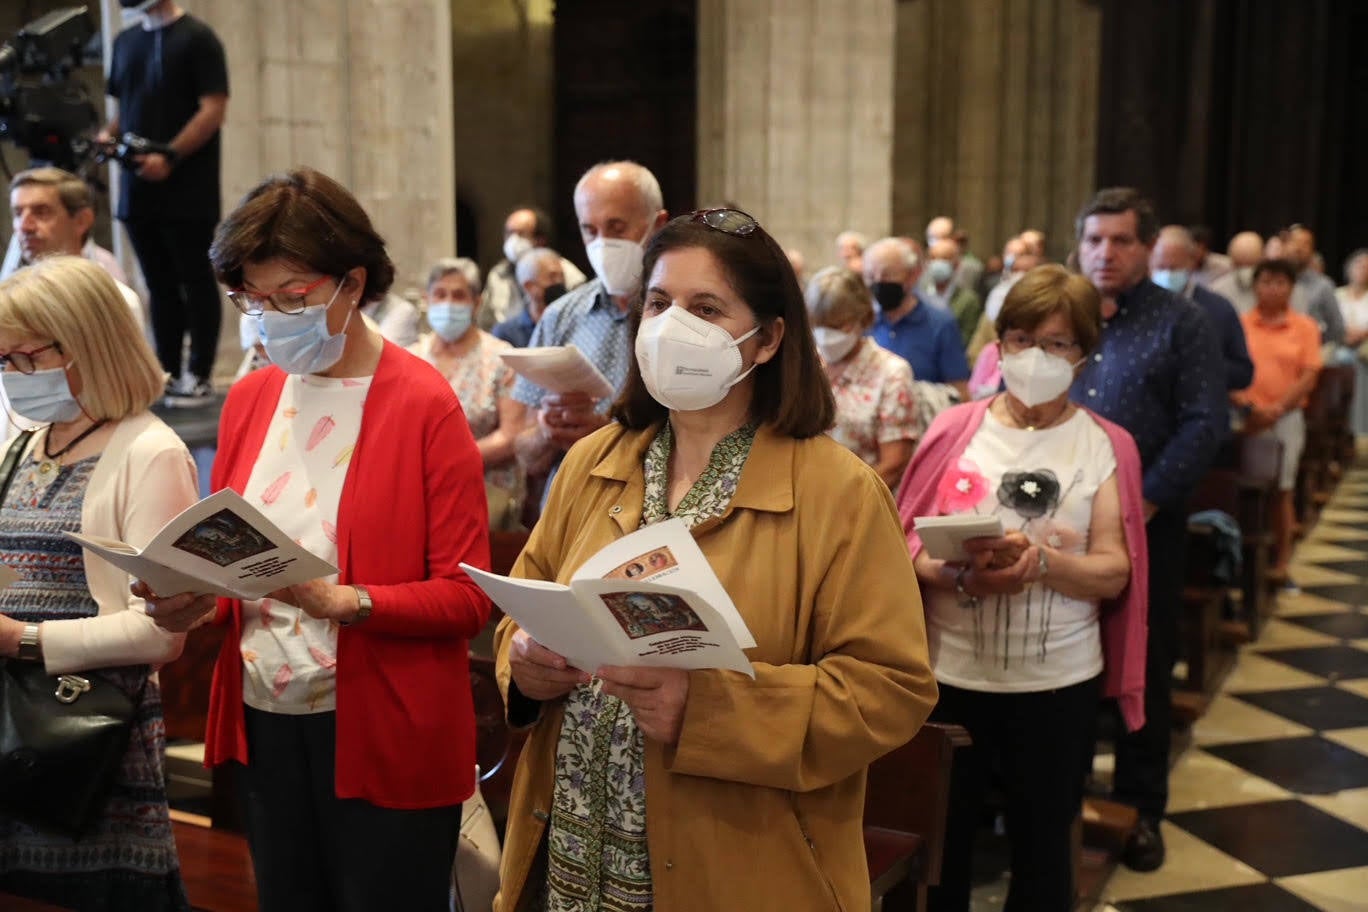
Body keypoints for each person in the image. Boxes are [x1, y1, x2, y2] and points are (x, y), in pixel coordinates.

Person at [493, 208, 937, 912]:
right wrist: (526, 667)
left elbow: (889, 690)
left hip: (738, 864)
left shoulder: (838, 492)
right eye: (660, 304)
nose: (674, 327)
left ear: (767, 340)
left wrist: (708, 709)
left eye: (706, 308)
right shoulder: (594, 462)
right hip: (572, 848)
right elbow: (522, 602)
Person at [143, 167, 492, 912]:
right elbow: (232, 554)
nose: (268, 319)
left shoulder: (424, 402)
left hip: (383, 726)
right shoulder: (252, 394)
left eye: (292, 297)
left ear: (351, 283)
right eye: (252, 300)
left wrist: (347, 601)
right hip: (267, 719)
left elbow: (469, 598)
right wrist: (191, 600)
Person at [896, 264, 1147, 912]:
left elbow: (1115, 569)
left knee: (1042, 853)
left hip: (1056, 682)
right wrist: (957, 572)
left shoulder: (1103, 444)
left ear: (1084, 353)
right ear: (999, 345)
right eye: (1020, 339)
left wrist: (1041, 565)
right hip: (952, 674)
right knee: (943, 846)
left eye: (1057, 343)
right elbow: (905, 549)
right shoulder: (955, 429)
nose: (1036, 356)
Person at [0, 256, 198, 910]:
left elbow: (159, 631)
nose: (14, 378)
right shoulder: (26, 446)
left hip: (87, 735)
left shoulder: (149, 451)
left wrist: (23, 639)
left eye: (25, 358)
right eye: (4, 362)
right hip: (14, 729)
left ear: (87, 342)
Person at [1071, 187, 1227, 872]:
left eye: (1122, 241)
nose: (1106, 253)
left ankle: (1141, 809)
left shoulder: (1181, 322)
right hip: (1064, 526)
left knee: (1144, 666)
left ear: (1148, 247)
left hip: (1149, 522)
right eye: (1095, 240)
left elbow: (1204, 424)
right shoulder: (1066, 316)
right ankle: (1059, 797)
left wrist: (1147, 504)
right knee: (1069, 663)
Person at [511, 161, 669, 516]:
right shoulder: (560, 317)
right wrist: (546, 431)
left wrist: (603, 435)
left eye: (616, 227)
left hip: (651, 521)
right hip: (568, 517)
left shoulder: (682, 319)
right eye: (589, 230)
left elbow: (705, 447)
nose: (602, 244)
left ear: (658, 225)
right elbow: (524, 452)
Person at [103, 0, 229, 405]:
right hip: (138, 188)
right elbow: (125, 108)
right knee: (157, 283)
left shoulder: (199, 38)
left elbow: (213, 110)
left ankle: (200, 374)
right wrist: (108, 136)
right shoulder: (124, 43)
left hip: (187, 187)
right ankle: (168, 371)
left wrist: (171, 154)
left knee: (194, 277)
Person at [409, 257, 524, 529]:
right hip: (417, 492)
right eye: (440, 294)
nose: (448, 303)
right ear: (427, 299)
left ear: (476, 302)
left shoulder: (501, 358)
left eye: (459, 295)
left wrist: (447, 463)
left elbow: (511, 436)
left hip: (483, 493)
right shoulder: (410, 358)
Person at [1234, 259, 1322, 582]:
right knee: (1241, 488)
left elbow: (1310, 374)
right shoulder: (1241, 323)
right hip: (1245, 416)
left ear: (1291, 287)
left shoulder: (1304, 326)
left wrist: (1276, 409)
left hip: (1286, 417)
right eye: (1266, 282)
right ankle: (1239, 559)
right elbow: (1227, 370)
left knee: (1281, 489)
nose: (1272, 288)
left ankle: (1282, 560)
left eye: (1280, 282)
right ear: (1255, 286)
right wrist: (1248, 406)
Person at [805, 266, 918, 487]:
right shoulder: (807, 364)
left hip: (860, 498)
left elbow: (894, 464)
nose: (826, 336)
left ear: (864, 318)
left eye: (837, 326)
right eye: (817, 325)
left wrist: (842, 501)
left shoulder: (891, 372)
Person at [6, 167, 145, 332]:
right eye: (18, 213)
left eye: (41, 212)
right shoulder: (10, 298)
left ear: (81, 221)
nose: (24, 226)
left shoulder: (116, 300)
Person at [863, 236, 971, 401]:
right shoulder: (862, 319)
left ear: (913, 275)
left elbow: (960, 392)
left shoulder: (940, 322)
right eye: (870, 276)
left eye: (887, 275)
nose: (878, 282)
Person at [1149, 225, 1254, 393]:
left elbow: (1243, 373)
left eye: (1174, 268)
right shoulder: (1136, 306)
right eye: (1161, 268)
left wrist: (1198, 366)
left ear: (1191, 263)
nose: (1167, 275)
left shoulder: (1218, 308)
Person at [479, 207, 587, 329]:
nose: (513, 240)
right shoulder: (498, 275)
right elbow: (485, 322)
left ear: (540, 239)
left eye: (521, 234)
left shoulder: (566, 272)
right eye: (509, 233)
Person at [492, 246, 566, 348]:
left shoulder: (575, 324)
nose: (559, 282)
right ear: (529, 286)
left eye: (562, 276)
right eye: (552, 277)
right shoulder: (506, 333)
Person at [1283, 225, 1346, 346]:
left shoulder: (1323, 285)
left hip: (1309, 351)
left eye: (1305, 244)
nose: (1298, 248)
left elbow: (1337, 329)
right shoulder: (1269, 282)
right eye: (1294, 242)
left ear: (1312, 251)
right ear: (1284, 246)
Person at [1337, 249, 1368, 435]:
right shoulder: (1336, 294)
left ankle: (1359, 431)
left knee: (1359, 367)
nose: (1363, 270)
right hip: (1339, 346)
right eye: (1360, 266)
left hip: (1364, 352)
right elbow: (1329, 323)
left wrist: (1363, 334)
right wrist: (1343, 334)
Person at [1209, 230, 1265, 314]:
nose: (1245, 273)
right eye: (1240, 266)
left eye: (1251, 266)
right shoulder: (1217, 290)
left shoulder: (1278, 290)